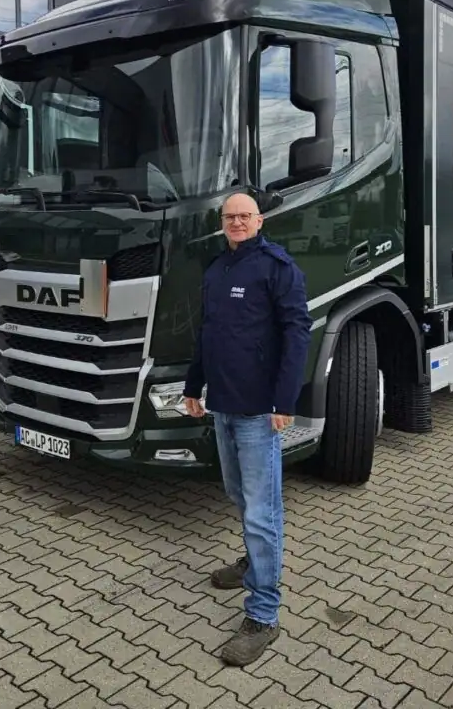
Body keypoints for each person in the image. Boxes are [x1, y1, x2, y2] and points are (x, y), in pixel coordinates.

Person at [184, 191, 312, 667]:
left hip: (259, 409)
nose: (237, 222)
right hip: (223, 403)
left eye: (245, 215)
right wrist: (193, 386)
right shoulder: (218, 270)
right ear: (222, 222)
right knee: (237, 492)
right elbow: (208, 333)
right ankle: (254, 562)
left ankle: (263, 614)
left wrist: (285, 401)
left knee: (261, 511)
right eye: (230, 216)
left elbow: (297, 332)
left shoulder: (278, 268)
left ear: (259, 220)